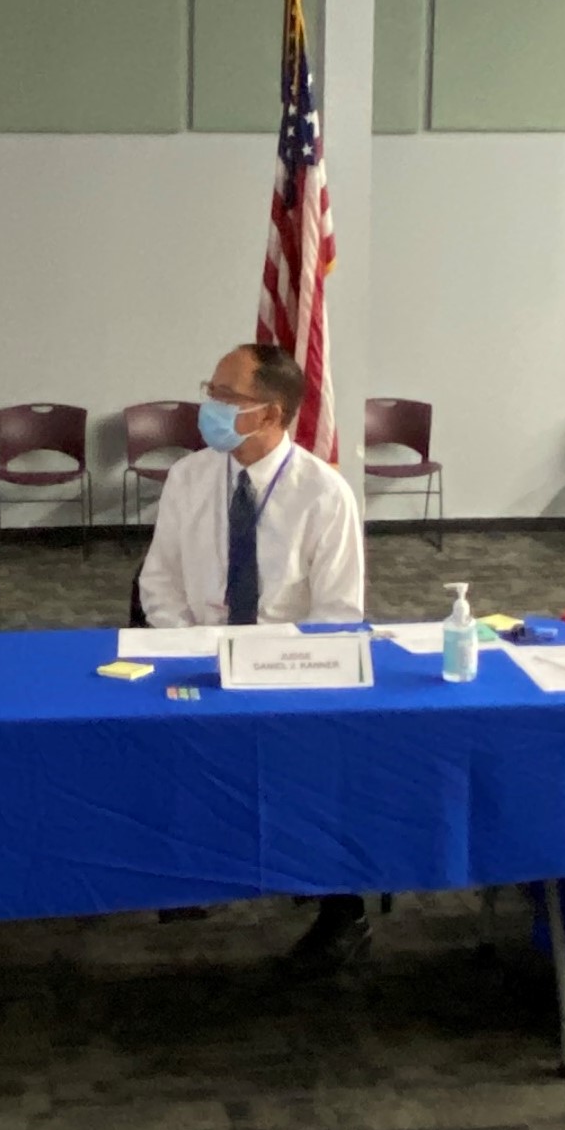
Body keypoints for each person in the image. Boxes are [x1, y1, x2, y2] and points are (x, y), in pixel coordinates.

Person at [137, 343, 371, 971]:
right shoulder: (190, 477)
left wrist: (264, 667)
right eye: (209, 388)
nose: (206, 406)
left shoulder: (325, 495)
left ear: (269, 414)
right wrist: (192, 647)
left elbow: (339, 616)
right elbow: (157, 580)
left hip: (285, 669)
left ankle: (339, 904)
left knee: (304, 763)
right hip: (193, 654)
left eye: (223, 396)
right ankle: (198, 875)